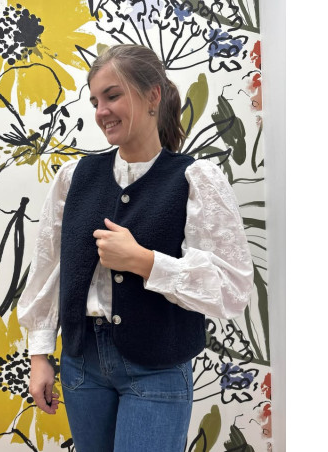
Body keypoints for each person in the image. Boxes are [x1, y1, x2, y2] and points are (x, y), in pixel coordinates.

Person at [17, 44, 254, 452]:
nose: (101, 111)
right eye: (95, 101)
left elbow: (231, 288)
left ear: (152, 96)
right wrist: (40, 355)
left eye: (112, 95)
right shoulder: (74, 178)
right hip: (82, 364)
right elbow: (49, 269)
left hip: (157, 367)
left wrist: (145, 262)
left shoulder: (195, 179)